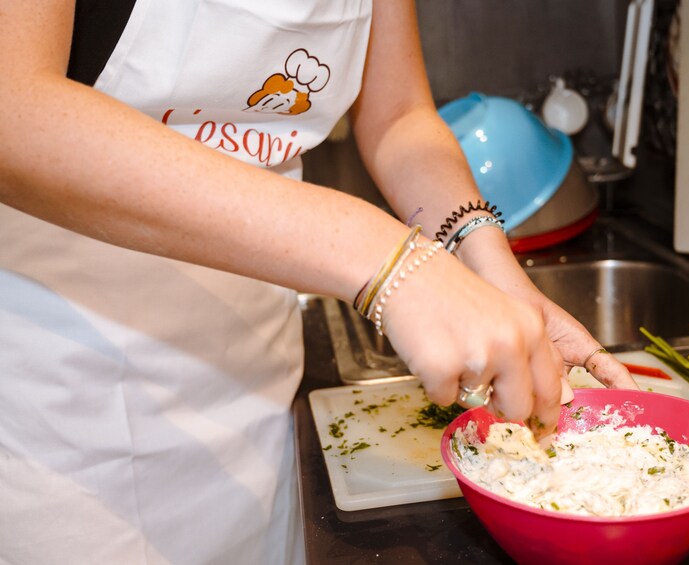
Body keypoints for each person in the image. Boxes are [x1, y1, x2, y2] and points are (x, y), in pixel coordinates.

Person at [0, 0, 638, 563]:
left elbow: (397, 116)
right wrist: (380, 253)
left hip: (253, 385)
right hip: (62, 400)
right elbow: (14, 110)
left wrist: (490, 267)